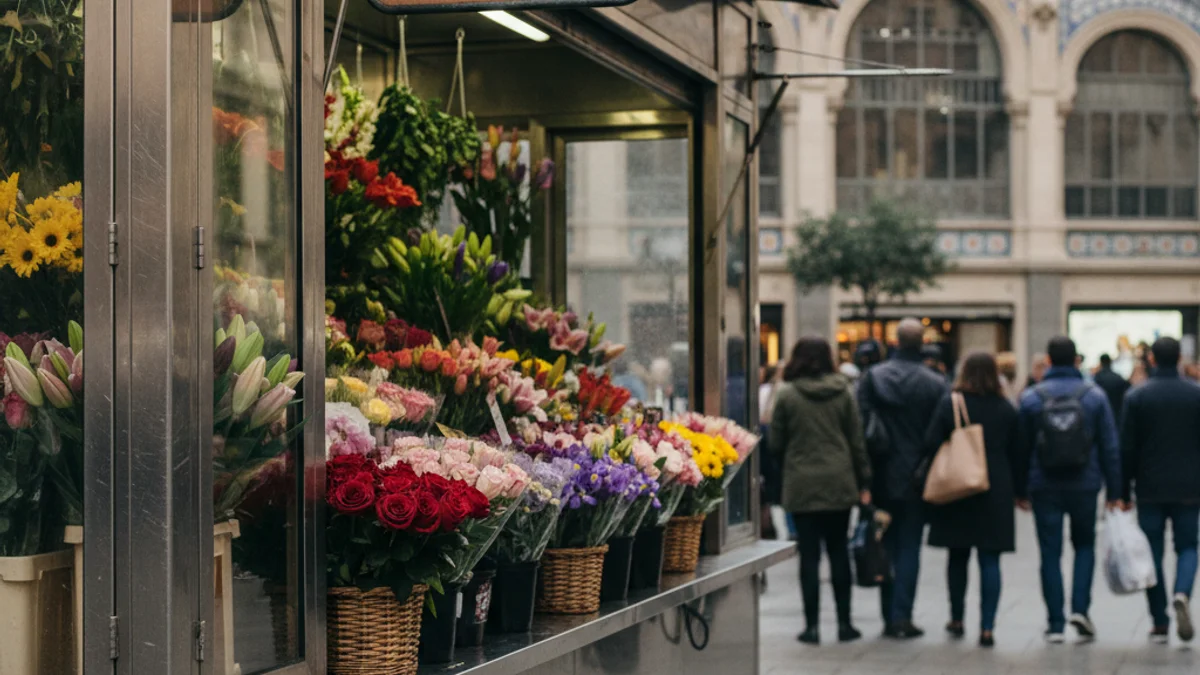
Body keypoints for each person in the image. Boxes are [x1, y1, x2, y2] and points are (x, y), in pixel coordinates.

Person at [1017, 336, 1122, 644]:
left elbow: (1021, 448)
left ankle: (1054, 623)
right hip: (1085, 483)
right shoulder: (1094, 396)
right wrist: (1115, 491)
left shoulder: (1032, 397)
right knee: (1084, 546)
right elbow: (1110, 447)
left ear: (1048, 361)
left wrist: (1020, 489)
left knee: (1050, 552)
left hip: (1043, 483)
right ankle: (1080, 609)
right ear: (1076, 360)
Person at [771, 336, 871, 645]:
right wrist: (864, 481)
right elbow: (856, 441)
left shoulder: (787, 394)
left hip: (802, 483)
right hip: (839, 481)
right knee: (839, 551)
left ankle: (811, 627)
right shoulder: (844, 392)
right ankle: (844, 624)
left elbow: (775, 442)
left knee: (809, 556)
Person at [921, 353, 1023, 649]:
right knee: (990, 559)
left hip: (959, 487)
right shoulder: (1006, 408)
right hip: (996, 487)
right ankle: (988, 627)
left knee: (958, 556)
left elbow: (930, 442)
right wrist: (1021, 492)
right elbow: (1019, 451)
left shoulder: (952, 402)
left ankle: (957, 618)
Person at [858, 317, 949, 638]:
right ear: (922, 342)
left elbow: (861, 429)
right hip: (918, 476)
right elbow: (941, 434)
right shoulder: (935, 383)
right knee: (910, 546)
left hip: (882, 472)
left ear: (895, 341)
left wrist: (864, 480)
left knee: (884, 541)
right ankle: (901, 615)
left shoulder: (873, 377)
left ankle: (888, 615)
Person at [1120, 337, 1200, 644]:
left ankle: (1159, 621)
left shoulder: (1137, 396)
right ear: (1179, 358)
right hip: (1190, 486)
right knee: (1188, 546)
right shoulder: (1195, 394)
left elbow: (1127, 448)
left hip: (1150, 485)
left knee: (1151, 552)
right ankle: (1182, 592)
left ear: (1152, 359)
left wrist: (1122, 491)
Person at [1093, 353, 1130, 419]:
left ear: (1101, 363)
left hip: (1103, 415)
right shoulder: (1118, 377)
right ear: (1110, 362)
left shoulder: (1097, 378)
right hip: (1117, 413)